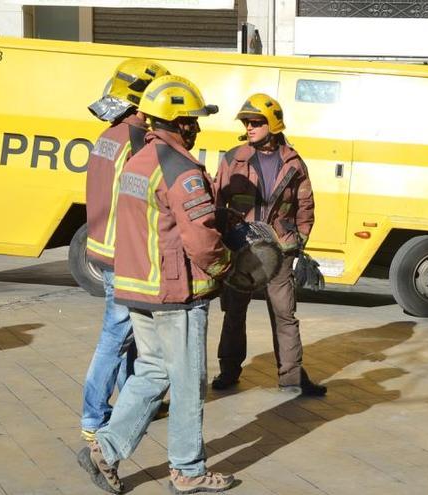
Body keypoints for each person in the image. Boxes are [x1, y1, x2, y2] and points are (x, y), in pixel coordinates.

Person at [78, 74, 237, 494]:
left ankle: (105, 449)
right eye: (192, 120)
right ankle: (187, 469)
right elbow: (202, 238)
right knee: (187, 383)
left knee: (151, 371)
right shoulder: (181, 170)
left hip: (138, 290)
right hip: (175, 294)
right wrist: (226, 266)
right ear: (178, 122)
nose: (198, 127)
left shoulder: (139, 161)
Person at [211, 93, 326, 396]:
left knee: (284, 314)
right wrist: (223, 238)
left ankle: (291, 377)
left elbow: (306, 206)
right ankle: (228, 371)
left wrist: (297, 242)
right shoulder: (233, 158)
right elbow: (216, 202)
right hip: (242, 252)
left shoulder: (293, 162)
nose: (249, 127)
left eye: (256, 122)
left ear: (272, 124)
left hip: (281, 253)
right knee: (234, 312)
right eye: (247, 122)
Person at [81, 58, 168, 443]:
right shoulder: (137, 141)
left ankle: (131, 399)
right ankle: (93, 417)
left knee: (127, 333)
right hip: (123, 255)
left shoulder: (107, 135)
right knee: (114, 339)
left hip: (101, 247)